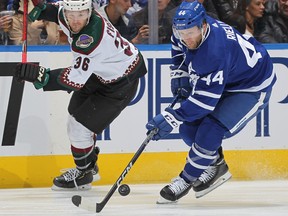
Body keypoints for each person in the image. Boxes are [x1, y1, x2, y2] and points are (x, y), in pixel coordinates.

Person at [146, 0, 276, 203]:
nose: (186, 38)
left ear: (203, 25)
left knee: (211, 128)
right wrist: (180, 75)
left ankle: (186, 179)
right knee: (189, 130)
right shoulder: (184, 28)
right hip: (229, 77)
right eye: (182, 33)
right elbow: (177, 47)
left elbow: (204, 103)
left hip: (252, 85)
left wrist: (172, 116)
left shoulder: (214, 51)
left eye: (191, 33)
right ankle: (215, 163)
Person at [14, 0, 147, 190]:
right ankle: (89, 163)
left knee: (78, 128)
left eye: (81, 15)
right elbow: (58, 12)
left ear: (89, 12)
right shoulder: (75, 13)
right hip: (103, 71)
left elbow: (73, 80)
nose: (75, 21)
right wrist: (43, 9)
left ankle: (84, 174)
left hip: (120, 83)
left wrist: (38, 74)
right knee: (74, 112)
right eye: (72, 15)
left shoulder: (89, 39)